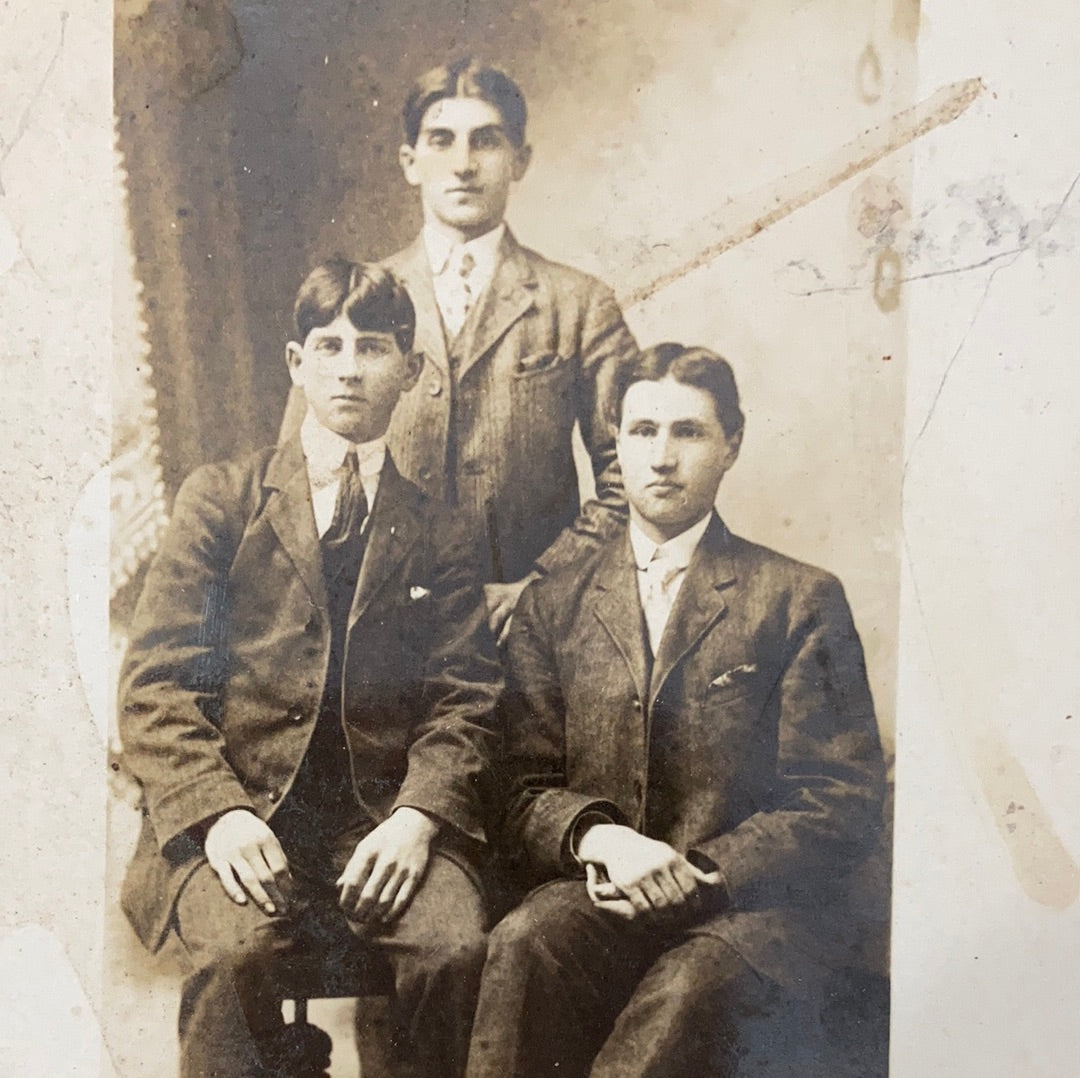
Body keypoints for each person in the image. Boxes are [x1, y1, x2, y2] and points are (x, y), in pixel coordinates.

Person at [118, 260, 501, 1078]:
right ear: (297, 364)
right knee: (236, 957)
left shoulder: (441, 531)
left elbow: (467, 701)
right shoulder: (221, 500)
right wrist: (219, 813)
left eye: (373, 347)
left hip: (380, 825)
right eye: (329, 345)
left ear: (411, 370)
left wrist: (417, 819)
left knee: (454, 948)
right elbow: (155, 686)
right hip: (242, 815)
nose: (350, 368)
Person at [465, 343, 886, 1077]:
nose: (662, 457)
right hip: (605, 896)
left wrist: (706, 872)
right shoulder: (554, 603)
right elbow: (520, 790)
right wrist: (601, 841)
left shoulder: (797, 599)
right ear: (615, 447)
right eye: (642, 432)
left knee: (681, 996)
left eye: (688, 432)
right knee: (524, 945)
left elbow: (838, 798)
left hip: (749, 917)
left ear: (732, 444)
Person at [285, 58, 639, 640]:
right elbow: (296, 474)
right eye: (441, 140)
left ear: (520, 159)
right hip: (378, 640)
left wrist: (543, 587)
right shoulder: (354, 302)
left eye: (487, 141)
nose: (464, 165)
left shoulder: (578, 303)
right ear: (410, 162)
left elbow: (632, 478)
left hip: (528, 634)